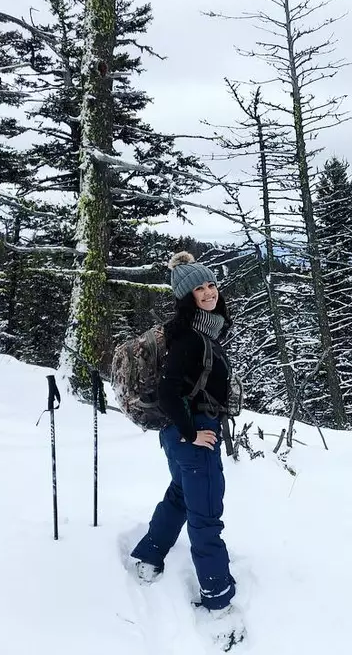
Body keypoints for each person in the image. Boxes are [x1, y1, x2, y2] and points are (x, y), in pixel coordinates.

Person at [130, 252, 240, 623]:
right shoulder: (192, 338)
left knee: (179, 495)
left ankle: (149, 555)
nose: (209, 292)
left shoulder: (196, 331)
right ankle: (218, 596)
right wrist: (194, 433)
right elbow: (167, 391)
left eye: (210, 284)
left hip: (175, 435)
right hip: (193, 435)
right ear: (186, 297)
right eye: (199, 288)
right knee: (205, 514)